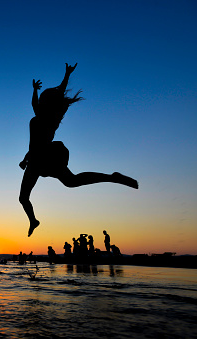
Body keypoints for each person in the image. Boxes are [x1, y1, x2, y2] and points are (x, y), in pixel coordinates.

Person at [19, 63, 138, 236]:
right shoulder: (41, 117)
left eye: (42, 99)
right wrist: (37, 89)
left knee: (65, 184)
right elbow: (34, 142)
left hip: (45, 157)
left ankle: (112, 177)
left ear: (47, 103)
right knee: (67, 183)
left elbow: (38, 139)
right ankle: (33, 221)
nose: (38, 102)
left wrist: (65, 76)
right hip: (38, 158)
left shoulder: (48, 118)